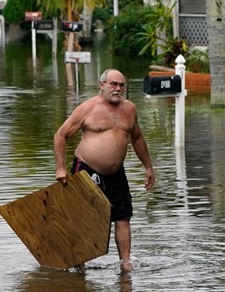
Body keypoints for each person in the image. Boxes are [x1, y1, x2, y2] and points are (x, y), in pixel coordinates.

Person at [53, 69, 154, 272]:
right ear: (102, 85)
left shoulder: (129, 109)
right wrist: (61, 168)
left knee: (123, 217)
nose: (118, 89)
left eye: (121, 85)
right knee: (84, 218)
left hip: (117, 173)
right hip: (87, 170)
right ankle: (78, 264)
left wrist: (148, 167)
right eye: (113, 84)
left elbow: (137, 138)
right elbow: (61, 136)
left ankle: (125, 263)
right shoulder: (87, 108)